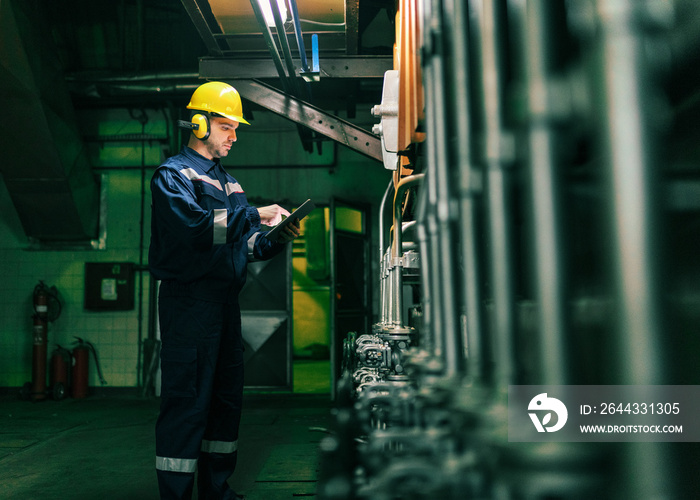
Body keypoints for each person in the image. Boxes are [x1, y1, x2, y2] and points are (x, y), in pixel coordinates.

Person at [149, 81, 300, 499]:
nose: (234, 136)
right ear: (198, 123)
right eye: (225, 126)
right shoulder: (173, 176)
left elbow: (245, 245)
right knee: (188, 403)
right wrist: (256, 212)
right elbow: (196, 230)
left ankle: (217, 491)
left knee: (224, 402)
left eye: (236, 128)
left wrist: (277, 235)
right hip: (189, 305)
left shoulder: (231, 185)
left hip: (224, 306)